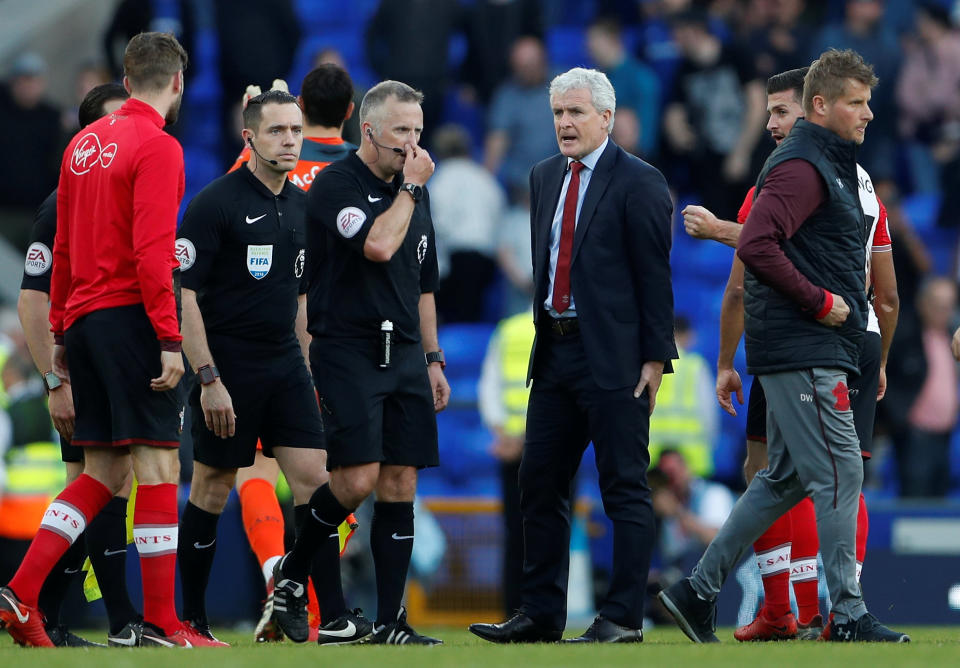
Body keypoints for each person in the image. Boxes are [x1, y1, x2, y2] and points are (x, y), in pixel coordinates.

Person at [658, 49, 909, 643]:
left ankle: (697, 591)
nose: (868, 113)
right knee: (842, 472)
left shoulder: (828, 163)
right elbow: (759, 246)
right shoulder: (800, 166)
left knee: (782, 479)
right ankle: (846, 614)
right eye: (857, 102)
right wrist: (822, 303)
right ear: (820, 106)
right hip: (806, 344)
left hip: (817, 343)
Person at [0, 32, 219, 649]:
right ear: (177, 83)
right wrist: (169, 338)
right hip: (130, 319)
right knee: (156, 467)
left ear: (126, 82)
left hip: (87, 323)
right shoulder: (159, 145)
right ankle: (162, 623)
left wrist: (64, 331)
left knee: (100, 471)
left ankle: (19, 592)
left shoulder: (80, 145)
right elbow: (153, 253)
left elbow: (64, 247)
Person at [470, 66, 676, 644]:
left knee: (624, 488)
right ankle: (539, 614)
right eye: (558, 113)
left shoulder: (640, 181)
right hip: (556, 354)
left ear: (606, 118)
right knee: (538, 484)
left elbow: (655, 279)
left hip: (616, 359)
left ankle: (622, 618)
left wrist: (656, 360)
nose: (564, 123)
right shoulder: (542, 177)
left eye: (576, 112)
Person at [270, 79, 448, 646]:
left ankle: (392, 621)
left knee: (400, 480)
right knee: (355, 479)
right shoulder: (334, 186)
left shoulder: (414, 194)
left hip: (406, 355)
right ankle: (292, 573)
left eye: (418, 131)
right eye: (402, 131)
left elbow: (424, 282)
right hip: (347, 349)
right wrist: (412, 192)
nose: (412, 144)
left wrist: (435, 357)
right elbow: (378, 245)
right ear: (367, 129)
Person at [174, 88, 332, 645]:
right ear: (250, 138)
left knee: (317, 482)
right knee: (213, 487)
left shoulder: (301, 206)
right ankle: (190, 620)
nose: (290, 141)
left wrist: (311, 371)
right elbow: (184, 295)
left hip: (285, 364)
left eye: (295, 131)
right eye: (276, 131)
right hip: (228, 365)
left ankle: (320, 610)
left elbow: (301, 300)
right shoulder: (214, 203)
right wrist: (208, 378)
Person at [224, 64, 359, 643]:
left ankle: (279, 574)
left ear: (299, 108)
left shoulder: (270, 164)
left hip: (273, 336)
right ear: (352, 112)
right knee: (339, 477)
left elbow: (230, 202)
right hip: (347, 341)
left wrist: (250, 125)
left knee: (254, 469)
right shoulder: (363, 170)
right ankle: (299, 585)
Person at [16, 82, 143, 648]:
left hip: (111, 360)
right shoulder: (60, 204)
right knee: (100, 486)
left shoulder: (116, 202)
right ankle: (58, 609)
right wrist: (53, 381)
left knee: (109, 488)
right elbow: (32, 299)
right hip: (80, 370)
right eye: (114, 125)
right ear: (88, 138)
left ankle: (54, 615)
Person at [477, 310, 537, 616]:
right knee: (548, 534)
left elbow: (489, 387)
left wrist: (505, 433)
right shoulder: (580, 324)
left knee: (517, 536)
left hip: (516, 447)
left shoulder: (509, 329)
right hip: (547, 447)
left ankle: (514, 612)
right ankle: (543, 610)